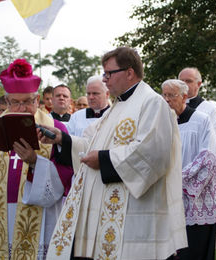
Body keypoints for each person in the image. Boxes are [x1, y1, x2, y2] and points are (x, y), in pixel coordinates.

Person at [43, 47, 187, 260]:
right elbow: (93, 144)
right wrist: (62, 139)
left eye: (109, 73)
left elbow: (153, 153)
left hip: (136, 212)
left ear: (129, 72)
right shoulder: (117, 107)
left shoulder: (152, 103)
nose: (105, 80)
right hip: (113, 211)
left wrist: (103, 159)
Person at [0, 59, 73, 260]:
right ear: (7, 101)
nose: (21, 108)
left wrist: (35, 162)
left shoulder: (54, 128)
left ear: (37, 100)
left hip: (39, 216)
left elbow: (66, 175)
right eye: (15, 102)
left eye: (27, 101)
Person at [162, 79, 216, 260]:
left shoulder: (201, 120)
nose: (166, 100)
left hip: (196, 198)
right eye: (164, 95)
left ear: (184, 97)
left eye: (171, 95)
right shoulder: (163, 122)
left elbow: (209, 157)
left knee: (195, 251)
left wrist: (179, 179)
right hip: (169, 195)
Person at [178, 67, 216, 137]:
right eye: (181, 81)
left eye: (188, 81)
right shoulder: (170, 106)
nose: (184, 84)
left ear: (198, 84)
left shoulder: (210, 109)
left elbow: (213, 139)